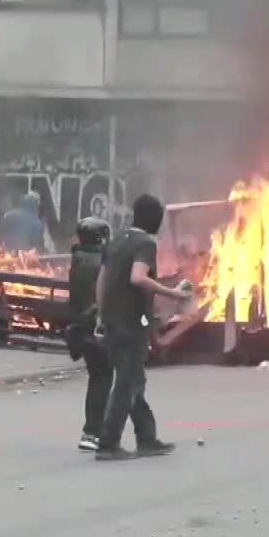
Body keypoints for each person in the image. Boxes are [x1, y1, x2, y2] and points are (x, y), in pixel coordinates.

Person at [94, 194, 188, 461]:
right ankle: (108, 443)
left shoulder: (116, 241)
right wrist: (173, 294)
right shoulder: (146, 243)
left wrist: (102, 314)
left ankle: (147, 438)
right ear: (155, 220)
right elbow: (138, 277)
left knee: (134, 379)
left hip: (113, 321)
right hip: (131, 324)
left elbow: (101, 281)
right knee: (126, 383)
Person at [67, 217, 112, 452]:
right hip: (97, 326)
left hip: (80, 326)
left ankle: (95, 430)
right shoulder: (102, 261)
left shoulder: (77, 258)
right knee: (103, 378)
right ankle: (93, 431)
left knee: (97, 377)